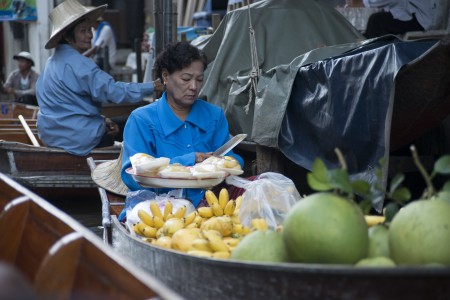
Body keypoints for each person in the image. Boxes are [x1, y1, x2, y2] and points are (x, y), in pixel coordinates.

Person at [121, 41, 244, 207]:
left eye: (199, 79)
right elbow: (132, 176)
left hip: (210, 206)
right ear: (165, 76)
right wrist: (191, 160)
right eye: (186, 79)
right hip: (155, 209)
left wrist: (225, 163)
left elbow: (230, 159)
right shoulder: (141, 120)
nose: (193, 87)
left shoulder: (215, 116)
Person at [36, 0, 164, 156]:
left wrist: (103, 119)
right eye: (83, 31)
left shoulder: (49, 64)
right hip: (80, 139)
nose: (89, 35)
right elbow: (115, 92)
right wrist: (152, 86)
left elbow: (70, 106)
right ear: (68, 37)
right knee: (137, 123)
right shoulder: (82, 65)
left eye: (90, 30)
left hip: (50, 136)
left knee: (113, 123)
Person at [346, 0, 439, 38]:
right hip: (425, 16)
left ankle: (371, 58)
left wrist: (361, 2)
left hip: (424, 20)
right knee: (378, 20)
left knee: (376, 21)